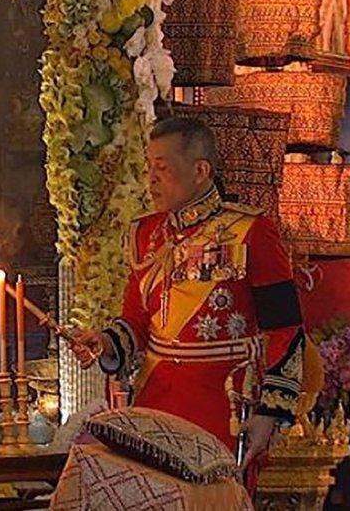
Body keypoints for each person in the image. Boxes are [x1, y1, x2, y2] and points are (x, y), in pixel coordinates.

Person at [69, 117, 306, 484]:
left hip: (223, 406)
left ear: (200, 170)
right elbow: (135, 321)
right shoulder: (145, 234)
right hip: (153, 403)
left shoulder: (251, 231)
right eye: (149, 168)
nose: (151, 179)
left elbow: (286, 329)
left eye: (162, 168)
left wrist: (270, 413)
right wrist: (103, 342)